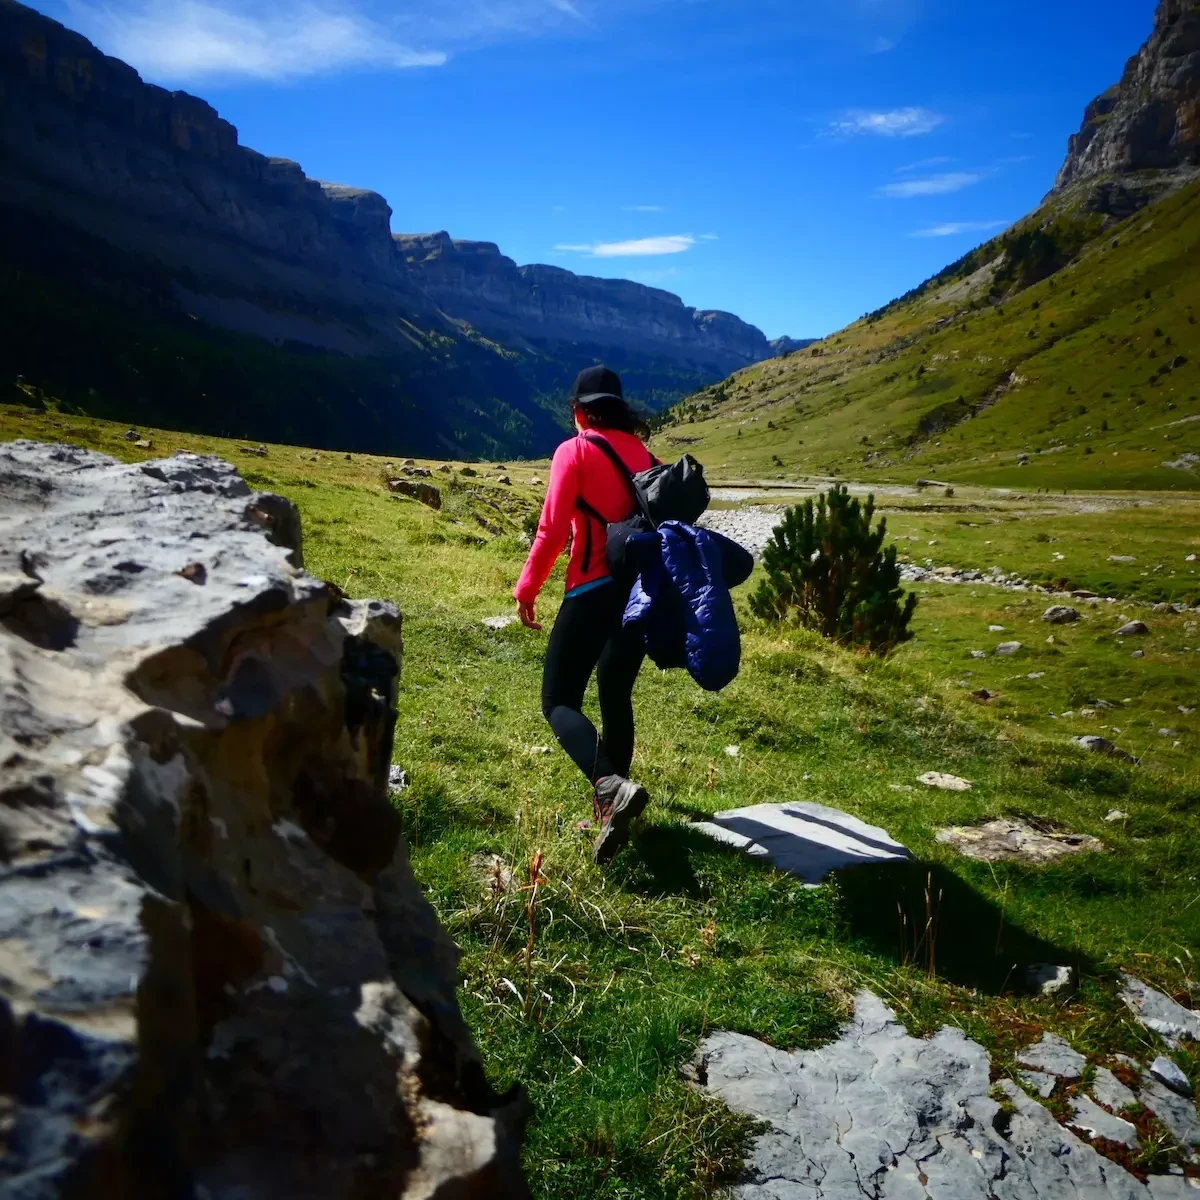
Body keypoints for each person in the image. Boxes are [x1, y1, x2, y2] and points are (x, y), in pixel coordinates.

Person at [514, 365, 656, 864]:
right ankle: (610, 811)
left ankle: (609, 786)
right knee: (615, 693)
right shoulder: (646, 455)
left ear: (579, 410)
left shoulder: (573, 451)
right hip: (640, 595)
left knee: (557, 700)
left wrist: (527, 587)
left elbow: (552, 529)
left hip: (592, 589)